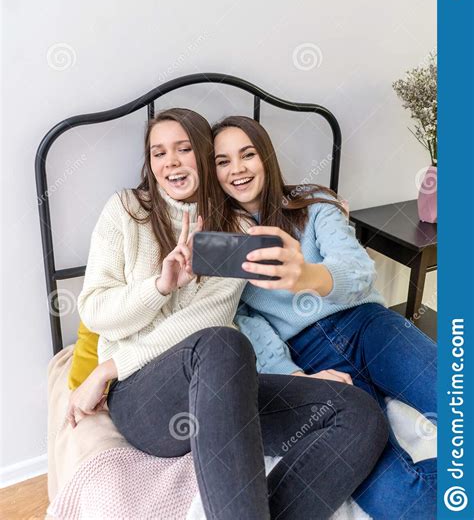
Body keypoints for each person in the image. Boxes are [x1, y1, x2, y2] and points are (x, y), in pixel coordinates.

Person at [66, 108, 388, 520]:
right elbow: (94, 311)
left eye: (184, 149)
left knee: (357, 412)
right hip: (145, 398)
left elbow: (206, 321)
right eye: (159, 153)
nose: (172, 162)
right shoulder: (126, 210)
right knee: (223, 342)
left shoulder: (233, 228)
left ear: (203, 156)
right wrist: (158, 289)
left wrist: (107, 366)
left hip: (218, 387)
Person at [213, 115, 437, 520]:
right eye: (223, 161)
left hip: (368, 325)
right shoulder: (222, 242)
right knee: (407, 504)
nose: (238, 169)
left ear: (265, 156)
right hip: (311, 358)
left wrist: (307, 275)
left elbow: (357, 268)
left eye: (247, 154)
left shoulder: (313, 205)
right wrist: (294, 377)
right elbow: (243, 320)